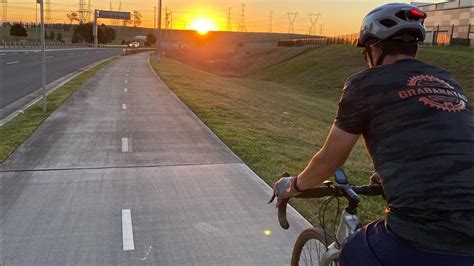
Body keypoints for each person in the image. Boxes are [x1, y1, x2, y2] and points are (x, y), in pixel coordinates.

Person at [271, 3, 473, 265]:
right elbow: (441, 138)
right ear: (415, 47)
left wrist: (292, 186)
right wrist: (387, 173)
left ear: (374, 49)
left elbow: (329, 160)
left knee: (353, 253)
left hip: (427, 235)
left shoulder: (364, 84)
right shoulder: (447, 81)